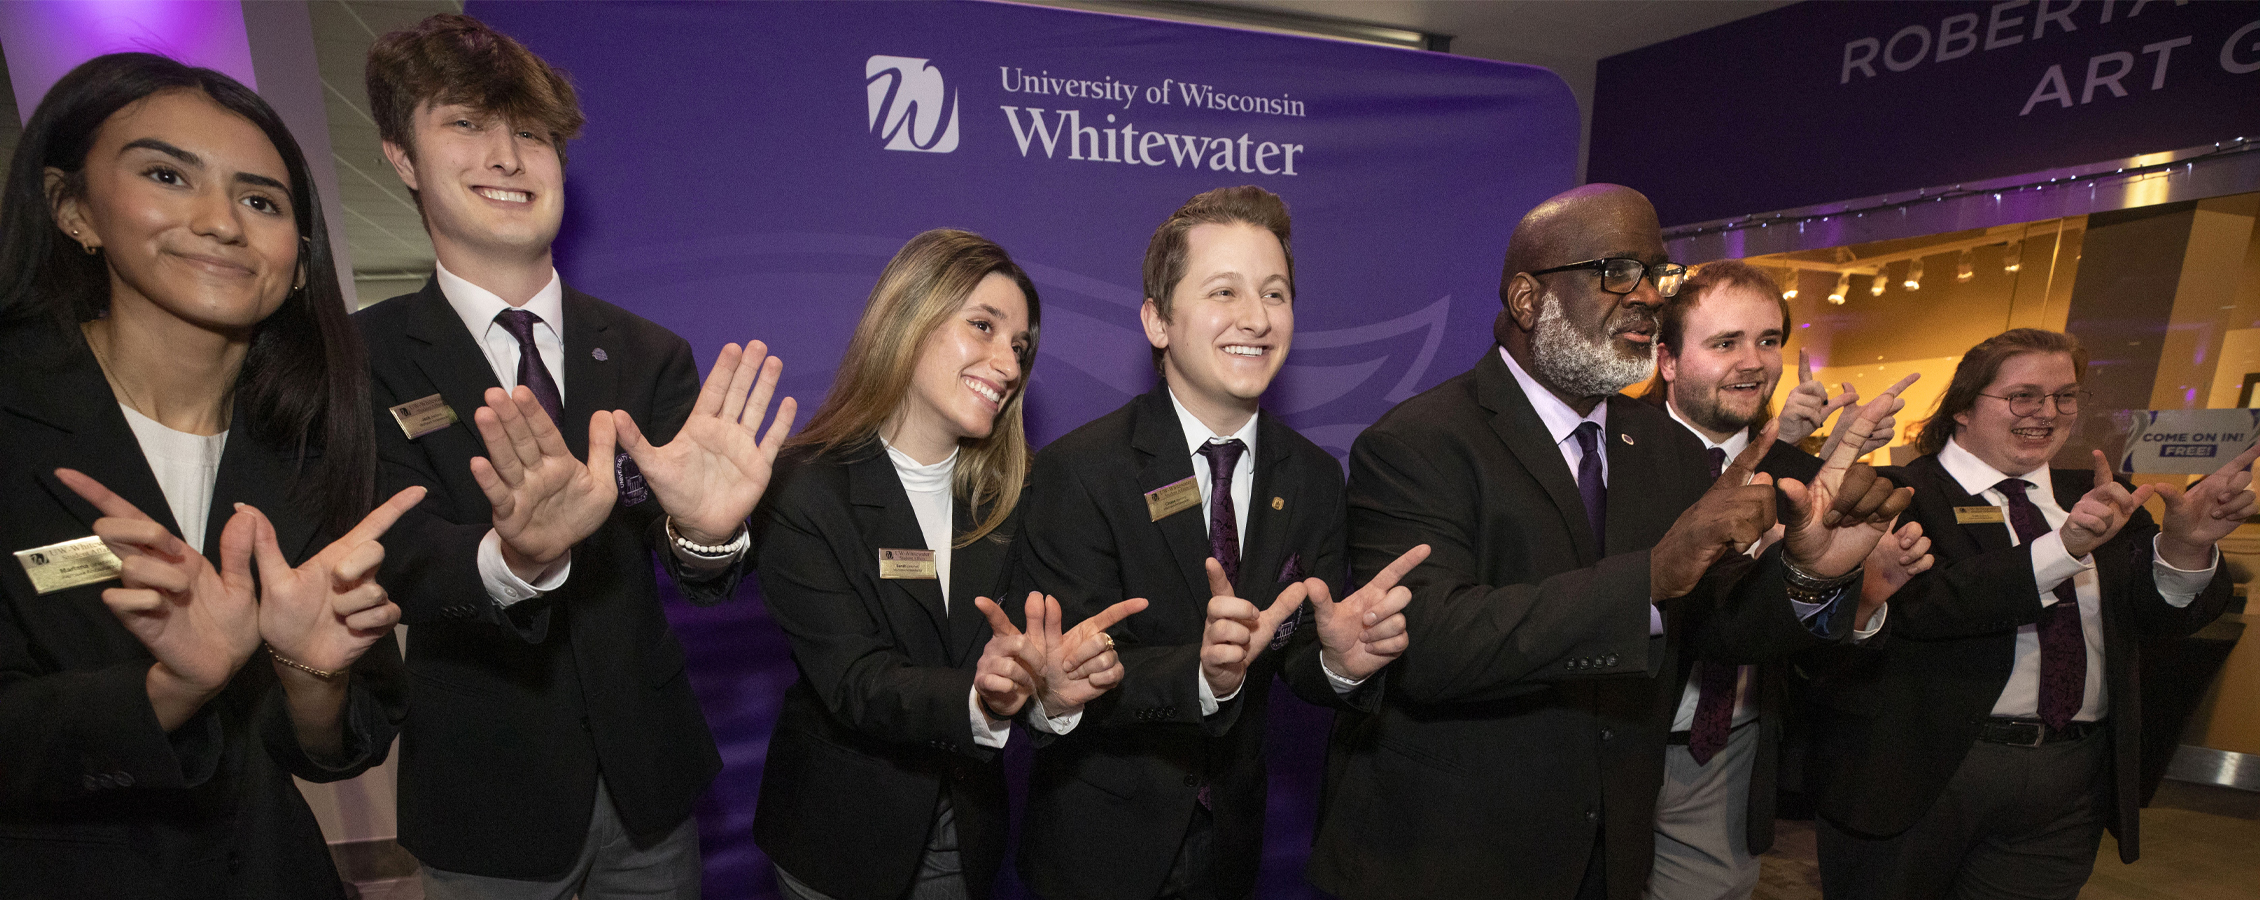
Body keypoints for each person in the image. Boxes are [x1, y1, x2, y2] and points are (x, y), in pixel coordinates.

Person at [1310, 183, 1915, 900]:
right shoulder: (1419, 443)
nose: (1649, 299)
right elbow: (1434, 645)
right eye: (1615, 272)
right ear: (1529, 300)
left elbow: (1716, 626)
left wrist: (1809, 575)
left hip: (1609, 852)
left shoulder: (1662, 447)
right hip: (1448, 854)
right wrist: (1649, 579)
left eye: (1657, 275)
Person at [356, 14, 793, 897]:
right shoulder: (362, 355)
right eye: (467, 125)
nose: (508, 157)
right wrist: (513, 556)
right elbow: (390, 551)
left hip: (648, 790)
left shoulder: (647, 352)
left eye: (530, 133)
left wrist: (709, 535)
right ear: (402, 158)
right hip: (485, 799)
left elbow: (700, 572)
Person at [0, 52, 417, 897]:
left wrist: (312, 679)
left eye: (261, 200)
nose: (222, 222)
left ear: (299, 261)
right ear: (72, 209)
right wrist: (167, 692)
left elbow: (337, 744)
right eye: (168, 175)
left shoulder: (311, 441)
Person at [1012, 185, 1426, 900]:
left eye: (1275, 293)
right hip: (1098, 851)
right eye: (1224, 292)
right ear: (1158, 321)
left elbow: (1295, 655)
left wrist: (1338, 665)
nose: (1256, 319)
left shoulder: (1316, 477)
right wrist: (1203, 677)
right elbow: (1065, 674)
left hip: (1235, 849)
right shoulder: (1079, 473)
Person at [751, 228, 1139, 900]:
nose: (1009, 364)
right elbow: (854, 681)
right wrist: (977, 696)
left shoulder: (1019, 497)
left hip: (968, 840)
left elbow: (1026, 670)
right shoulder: (804, 487)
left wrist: (1053, 696)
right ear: (909, 319)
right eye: (983, 327)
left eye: (1019, 346)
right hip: (836, 844)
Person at [1809, 328, 2245, 900]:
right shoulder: (1897, 492)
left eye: (2065, 396)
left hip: (2069, 779)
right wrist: (2062, 548)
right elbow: (1926, 607)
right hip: (1920, 773)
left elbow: (2161, 620)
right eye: (2024, 396)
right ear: (1963, 406)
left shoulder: (2107, 495)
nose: (2047, 412)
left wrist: (2185, 548)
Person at [1641, 259, 1931, 900]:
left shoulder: (1803, 472)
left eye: (1768, 340)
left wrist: (1860, 596)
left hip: (1731, 750)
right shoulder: (1609, 456)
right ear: (1667, 360)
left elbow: (1805, 647)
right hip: (1620, 742)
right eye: (1724, 343)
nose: (1754, 362)